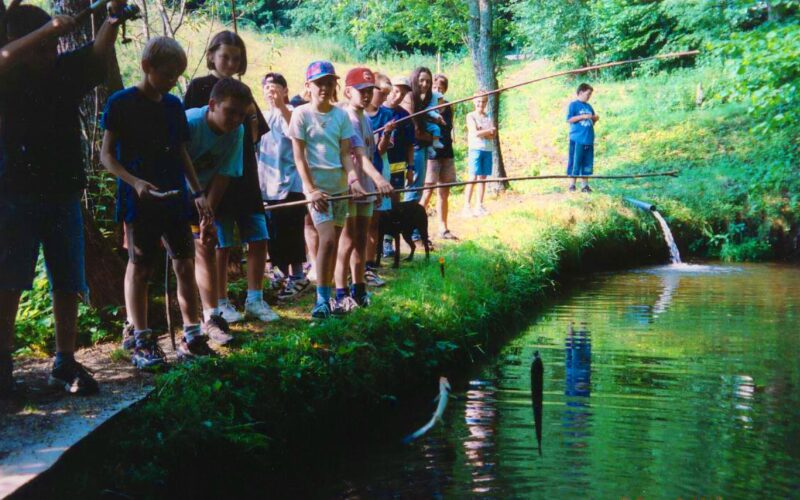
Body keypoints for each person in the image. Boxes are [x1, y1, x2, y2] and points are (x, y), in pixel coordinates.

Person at [0, 0, 126, 395]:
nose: (52, 52)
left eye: (54, 45)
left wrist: (113, 16)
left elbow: (97, 54)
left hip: (63, 192)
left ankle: (64, 362)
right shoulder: (9, 76)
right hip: (15, 193)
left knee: (67, 280)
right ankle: (3, 361)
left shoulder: (62, 70)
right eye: (44, 46)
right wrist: (50, 29)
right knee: (9, 280)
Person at [101, 37, 214, 368]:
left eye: (177, 75)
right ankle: (142, 339)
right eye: (167, 74)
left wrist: (198, 192)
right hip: (139, 200)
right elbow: (106, 156)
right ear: (147, 67)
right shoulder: (121, 103)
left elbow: (181, 151)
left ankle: (192, 334)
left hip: (174, 196)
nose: (172, 81)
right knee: (140, 267)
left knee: (184, 262)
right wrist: (135, 182)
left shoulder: (173, 105)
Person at [184, 30, 277, 323]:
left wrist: (248, 119)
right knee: (219, 240)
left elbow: (255, 133)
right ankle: (220, 301)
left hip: (244, 172)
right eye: (225, 56)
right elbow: (188, 136)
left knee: (257, 233)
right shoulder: (200, 87)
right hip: (211, 178)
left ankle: (255, 298)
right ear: (211, 55)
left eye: (236, 58)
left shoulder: (242, 93)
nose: (230, 62)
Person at [288, 61, 364, 319]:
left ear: (335, 85)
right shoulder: (301, 115)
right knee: (328, 240)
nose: (324, 87)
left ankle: (329, 294)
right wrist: (310, 190)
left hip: (340, 188)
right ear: (308, 86)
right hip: (317, 191)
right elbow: (299, 157)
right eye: (319, 82)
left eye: (329, 82)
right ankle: (321, 301)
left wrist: (353, 180)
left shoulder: (341, 116)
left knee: (336, 244)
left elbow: (345, 155)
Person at [185, 78, 254, 343]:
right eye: (230, 112)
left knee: (206, 245)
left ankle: (211, 317)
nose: (236, 119)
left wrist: (207, 214)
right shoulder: (190, 123)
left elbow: (224, 173)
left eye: (241, 114)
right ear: (212, 104)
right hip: (173, 192)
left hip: (203, 196)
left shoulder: (236, 132)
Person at [333, 67, 393, 313]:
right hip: (352, 188)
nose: (366, 95)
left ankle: (359, 289)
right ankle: (340, 292)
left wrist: (375, 186)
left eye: (370, 90)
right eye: (361, 91)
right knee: (347, 241)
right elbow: (358, 157)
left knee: (360, 240)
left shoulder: (365, 119)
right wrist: (379, 181)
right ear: (348, 92)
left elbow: (372, 153)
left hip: (366, 189)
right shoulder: (347, 119)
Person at [258, 72, 311, 301]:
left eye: (276, 86)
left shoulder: (294, 112)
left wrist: (281, 105)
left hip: (291, 182)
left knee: (292, 230)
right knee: (274, 233)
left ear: (286, 90)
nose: (271, 90)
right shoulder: (261, 116)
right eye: (267, 86)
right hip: (266, 185)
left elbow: (296, 132)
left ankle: (298, 276)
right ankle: (280, 275)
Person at [364, 72, 394, 287]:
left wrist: (385, 134)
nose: (383, 99)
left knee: (373, 219)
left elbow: (381, 149)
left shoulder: (387, 116)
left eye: (386, 95)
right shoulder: (352, 113)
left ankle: (369, 265)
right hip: (355, 172)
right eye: (381, 93)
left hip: (378, 168)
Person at [421, 74, 458, 240]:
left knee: (444, 192)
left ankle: (443, 228)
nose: (438, 90)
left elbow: (450, 128)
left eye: (441, 87)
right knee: (427, 191)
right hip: (432, 154)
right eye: (435, 87)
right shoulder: (426, 107)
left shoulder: (449, 107)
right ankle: (419, 231)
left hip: (447, 152)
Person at [381, 76, 415, 256]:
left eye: (402, 94)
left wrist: (410, 168)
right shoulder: (377, 110)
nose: (397, 96)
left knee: (394, 203)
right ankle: (375, 241)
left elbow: (410, 145)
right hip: (378, 164)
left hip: (397, 166)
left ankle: (388, 240)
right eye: (395, 91)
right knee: (377, 204)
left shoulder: (405, 116)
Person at [463, 92, 496, 217]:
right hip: (475, 149)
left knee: (483, 178)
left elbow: (494, 135)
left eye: (483, 101)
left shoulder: (488, 116)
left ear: (486, 102)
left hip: (487, 149)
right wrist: (487, 131)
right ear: (473, 101)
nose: (480, 104)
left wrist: (483, 130)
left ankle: (479, 205)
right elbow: (475, 132)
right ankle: (466, 206)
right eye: (478, 101)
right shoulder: (470, 116)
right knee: (472, 177)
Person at [566, 83, 599, 193]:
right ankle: (572, 185)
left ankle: (585, 186)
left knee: (587, 162)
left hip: (588, 139)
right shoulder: (573, 105)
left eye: (590, 94)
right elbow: (569, 120)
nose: (589, 96)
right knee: (575, 161)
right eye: (588, 94)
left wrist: (595, 118)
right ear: (580, 92)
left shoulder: (589, 106)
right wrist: (583, 116)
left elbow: (592, 121)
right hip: (577, 138)